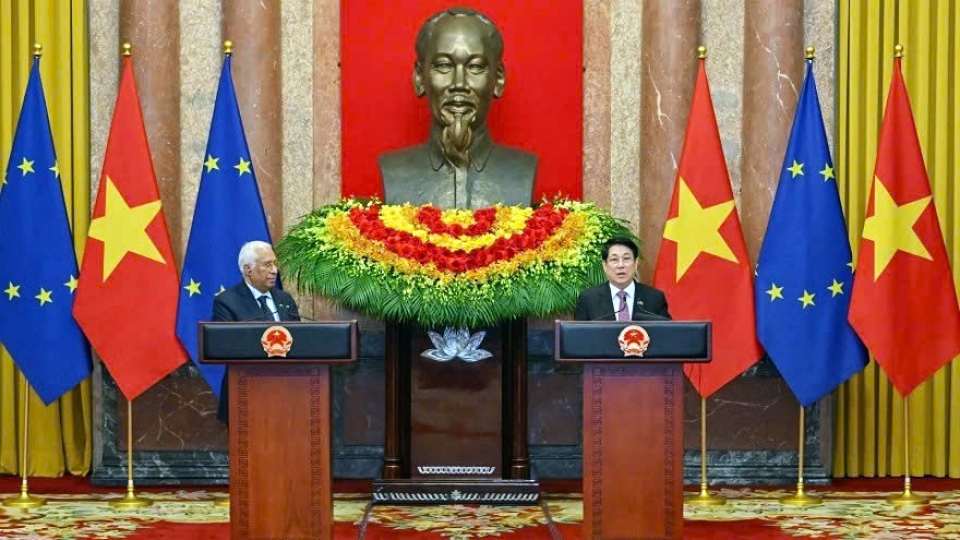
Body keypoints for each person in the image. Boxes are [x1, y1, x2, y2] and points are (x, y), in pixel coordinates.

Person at [378, 7, 537, 209]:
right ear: (419, 78)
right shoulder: (395, 171)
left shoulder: (522, 170)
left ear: (498, 79)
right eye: (444, 66)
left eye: (475, 67)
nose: (459, 83)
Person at [213, 240, 300, 424]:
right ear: (248, 270)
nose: (274, 270)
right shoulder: (227, 301)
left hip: (288, 391)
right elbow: (224, 347)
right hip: (245, 392)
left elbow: (299, 340)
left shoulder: (284, 299)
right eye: (267, 264)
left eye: (275, 264)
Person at [574, 237, 671, 321]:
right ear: (605, 265)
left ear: (635, 263)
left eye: (626, 259)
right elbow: (578, 336)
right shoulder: (588, 299)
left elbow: (666, 334)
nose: (621, 265)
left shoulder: (654, 298)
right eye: (614, 260)